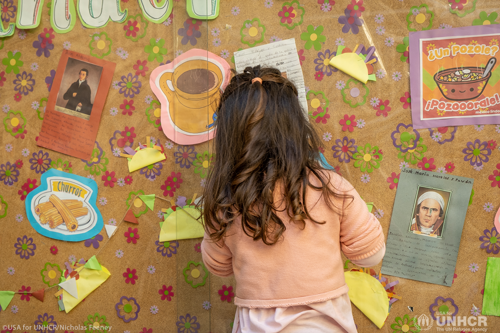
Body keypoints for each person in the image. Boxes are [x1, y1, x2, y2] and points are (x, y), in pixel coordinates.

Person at [200, 66, 385, 333]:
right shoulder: (331, 187)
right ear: (296, 125)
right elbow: (371, 255)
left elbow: (217, 267)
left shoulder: (226, 202)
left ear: (229, 137)